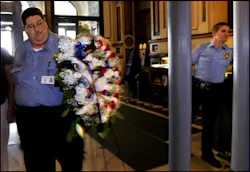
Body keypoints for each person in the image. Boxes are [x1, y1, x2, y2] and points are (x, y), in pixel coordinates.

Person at [12, 7, 84, 171]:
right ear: (25, 30)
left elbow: (85, 78)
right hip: (29, 121)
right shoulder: (21, 49)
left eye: (39, 23)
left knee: (71, 163)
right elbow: (15, 81)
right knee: (37, 165)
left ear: (45, 22)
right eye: (31, 26)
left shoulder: (65, 45)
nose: (37, 30)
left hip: (60, 118)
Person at [191, 22, 233, 168]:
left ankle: (207, 154)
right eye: (223, 31)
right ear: (214, 33)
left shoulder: (228, 52)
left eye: (228, 31)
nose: (227, 34)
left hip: (215, 91)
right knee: (187, 118)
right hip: (197, 88)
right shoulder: (202, 48)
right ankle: (180, 147)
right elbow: (187, 63)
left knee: (209, 123)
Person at [1, 47, 15, 171]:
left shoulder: (3, 53)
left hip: (1, 105)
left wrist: (10, 108)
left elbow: (11, 82)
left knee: (1, 148)